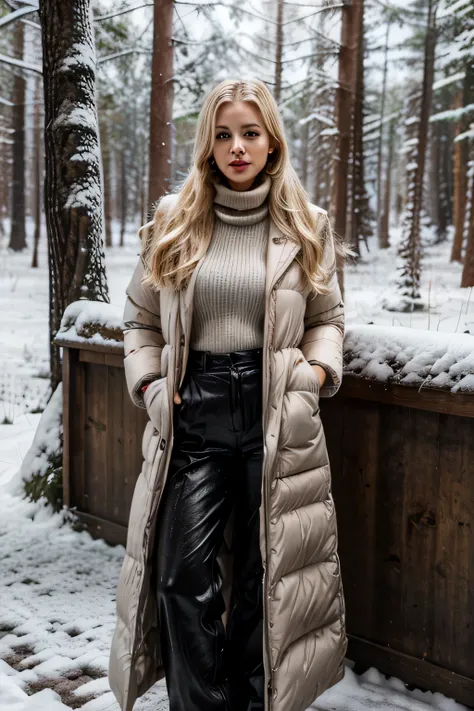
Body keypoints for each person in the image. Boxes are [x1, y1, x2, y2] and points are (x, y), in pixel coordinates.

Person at [109, 78, 348, 711]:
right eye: (223, 134)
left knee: (263, 581)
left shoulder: (306, 224)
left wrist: (314, 377)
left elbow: (327, 319)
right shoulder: (174, 221)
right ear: (207, 145)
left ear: (272, 141)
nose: (236, 147)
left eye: (249, 132)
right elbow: (140, 320)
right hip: (196, 410)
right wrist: (152, 382)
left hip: (276, 411)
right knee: (179, 578)